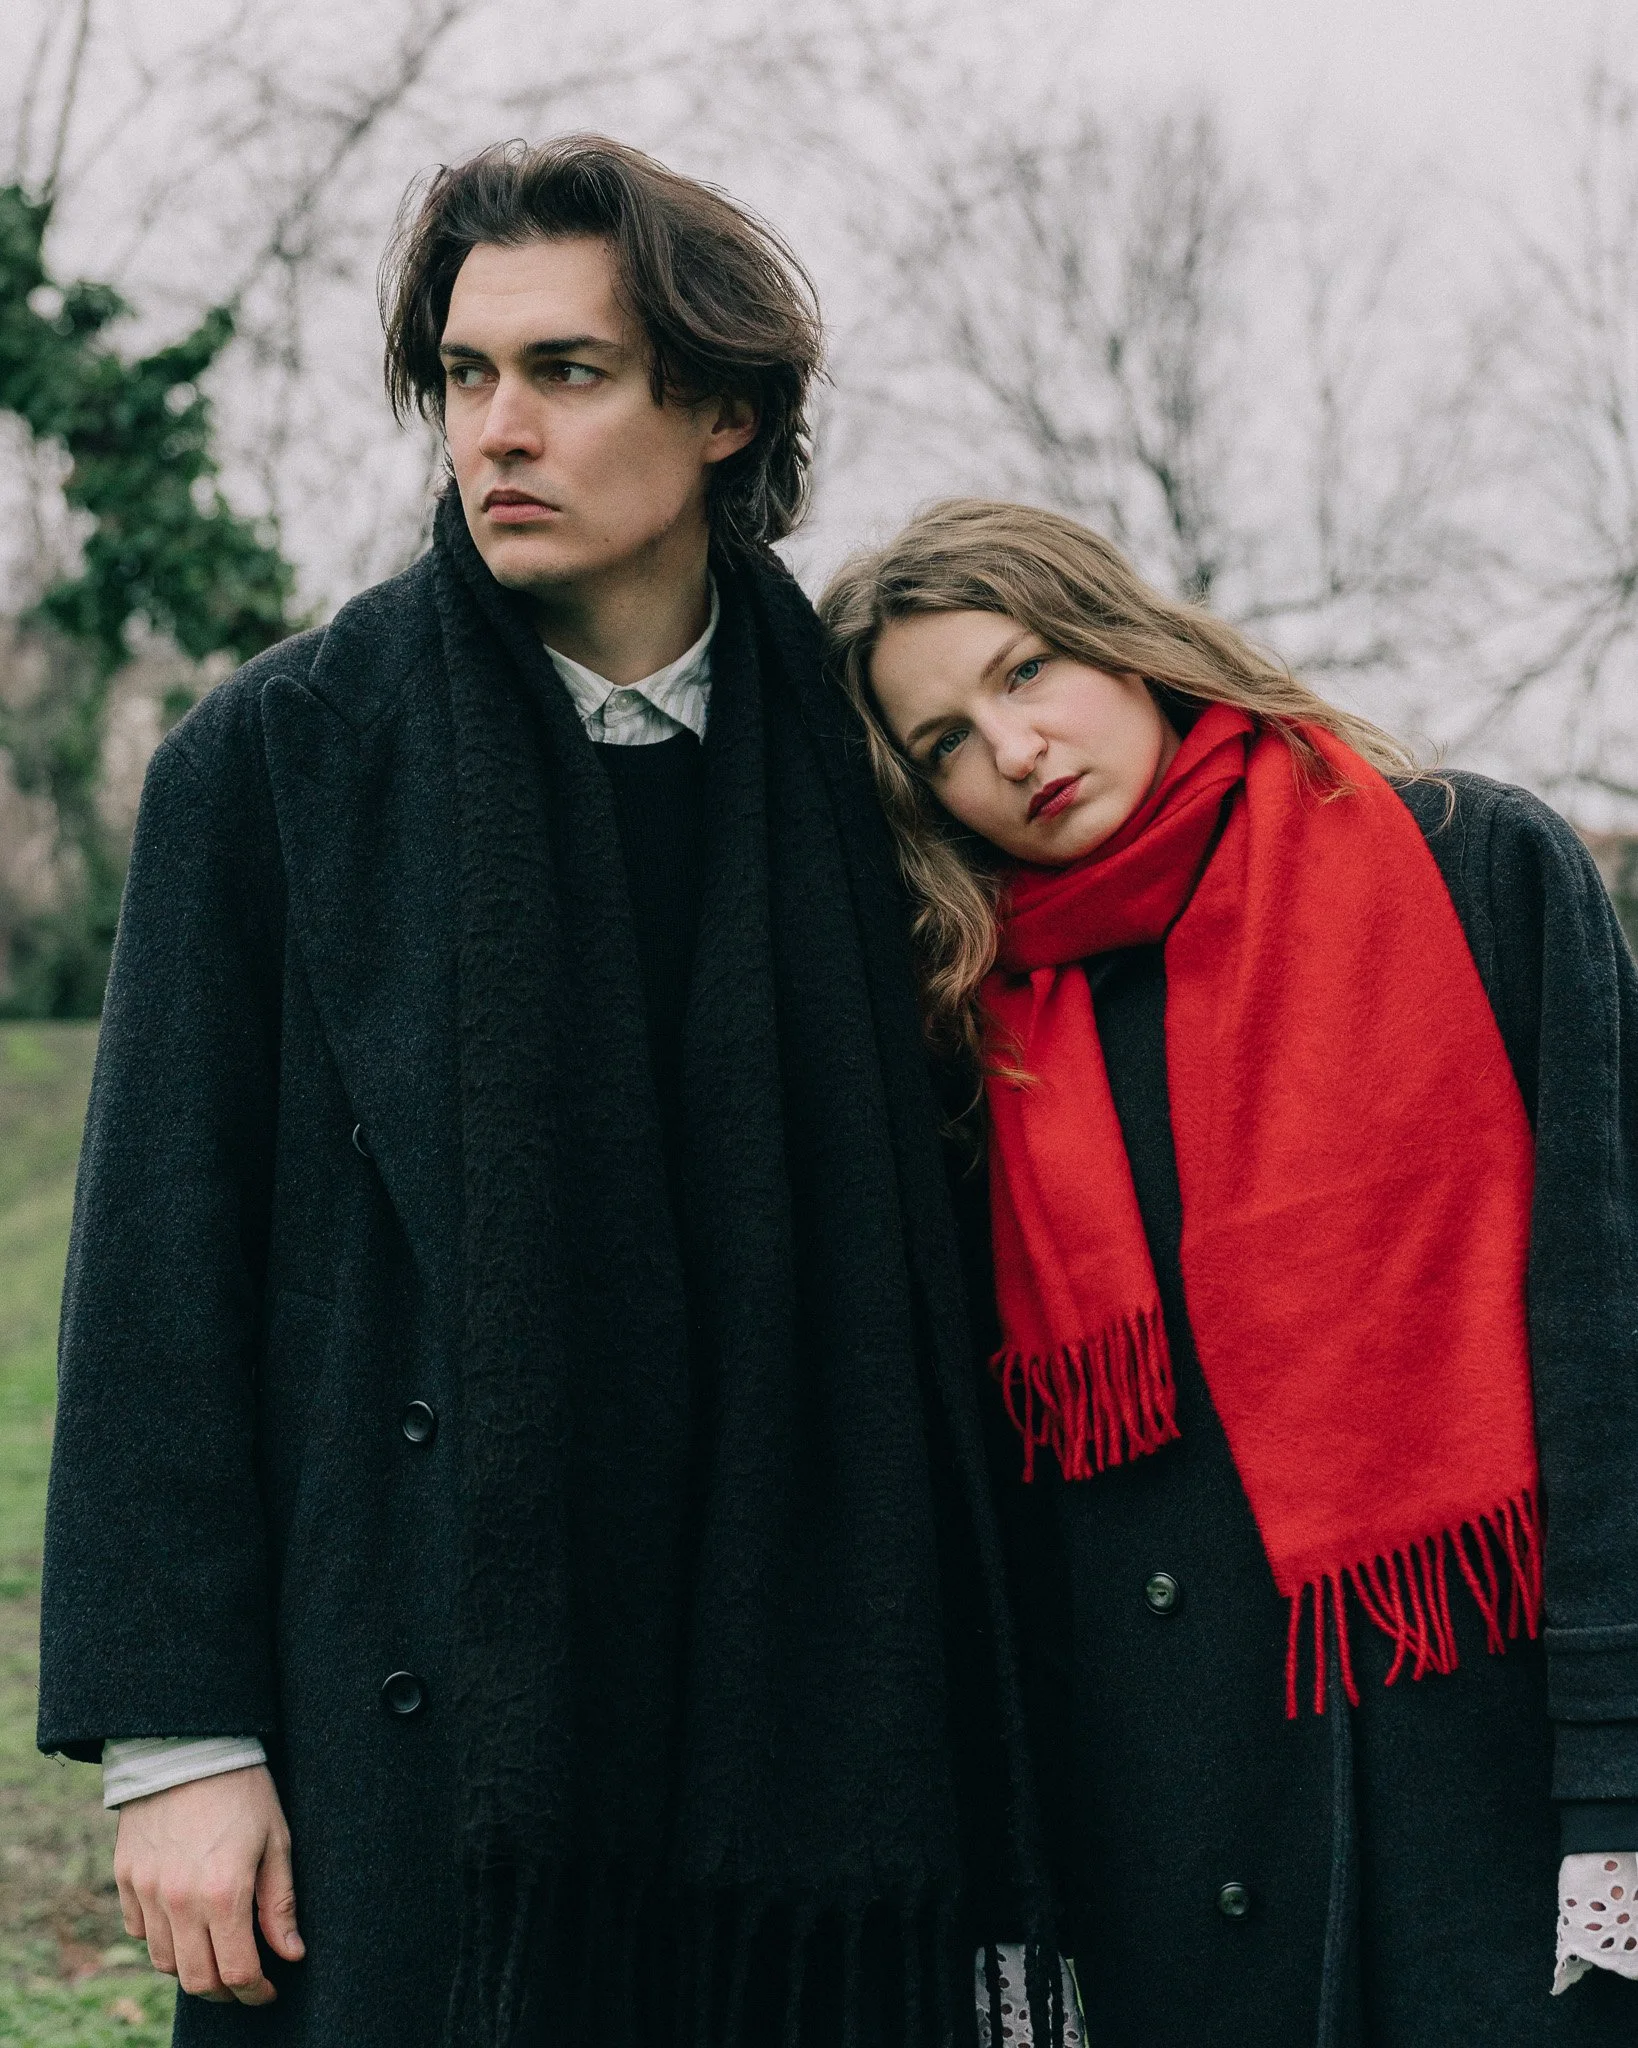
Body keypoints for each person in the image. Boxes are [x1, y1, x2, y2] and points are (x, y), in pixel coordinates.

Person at [35, 148, 1061, 2047]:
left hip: (801, 1743)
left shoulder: (862, 768)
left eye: (567, 372)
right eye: (463, 373)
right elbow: (157, 1285)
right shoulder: (276, 764)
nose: (494, 429)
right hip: (416, 1740)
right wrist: (177, 1741)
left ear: (724, 407)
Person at [820, 497, 1638, 2047]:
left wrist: (1619, 1777)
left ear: (1126, 646)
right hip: (1163, 1842)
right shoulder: (968, 1031)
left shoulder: (1471, 872)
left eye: (1027, 668)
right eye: (937, 743)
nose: (1008, 747)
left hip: (1481, 1779)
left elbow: (1607, 1338)